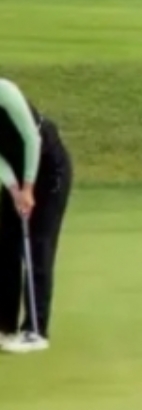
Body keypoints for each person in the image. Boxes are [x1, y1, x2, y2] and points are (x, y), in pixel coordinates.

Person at [0, 78, 73, 352]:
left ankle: (36, 330)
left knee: (38, 245)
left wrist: (29, 187)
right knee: (6, 244)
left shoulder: (4, 92)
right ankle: (5, 327)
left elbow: (32, 138)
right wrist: (14, 189)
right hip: (18, 174)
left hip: (49, 168)